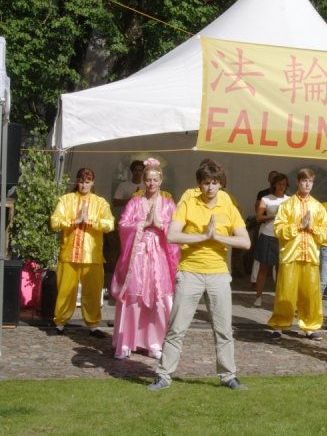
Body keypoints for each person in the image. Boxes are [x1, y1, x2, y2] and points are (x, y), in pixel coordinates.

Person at [148, 160, 250, 391]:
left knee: (224, 329)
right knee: (177, 328)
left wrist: (218, 238)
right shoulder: (188, 201)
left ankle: (228, 375)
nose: (211, 188)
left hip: (219, 275)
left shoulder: (228, 204)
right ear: (199, 184)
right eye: (206, 183)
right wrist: (203, 237)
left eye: (215, 183)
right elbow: (172, 235)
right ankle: (164, 375)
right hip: (190, 271)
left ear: (221, 184)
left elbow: (245, 241)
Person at [110, 158, 180, 360]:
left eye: (154, 180)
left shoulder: (168, 204)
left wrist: (160, 225)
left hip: (158, 255)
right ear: (143, 180)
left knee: (159, 298)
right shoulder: (134, 202)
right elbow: (122, 225)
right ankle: (126, 342)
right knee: (134, 296)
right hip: (137, 254)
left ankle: (155, 342)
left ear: (161, 180)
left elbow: (176, 230)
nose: (151, 184)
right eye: (148, 179)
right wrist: (142, 224)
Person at [49, 167, 114, 337]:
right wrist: (73, 221)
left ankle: (93, 325)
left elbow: (109, 224)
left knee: (92, 291)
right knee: (65, 290)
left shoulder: (100, 203)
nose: (84, 185)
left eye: (87, 182)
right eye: (81, 182)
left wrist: (90, 221)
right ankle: (60, 322)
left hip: (92, 256)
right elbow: (54, 221)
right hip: (69, 253)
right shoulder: (66, 200)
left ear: (92, 182)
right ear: (77, 181)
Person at [267, 168, 327, 340]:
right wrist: (298, 227)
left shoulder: (318, 207)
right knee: (285, 292)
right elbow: (278, 229)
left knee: (310, 294)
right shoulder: (287, 205)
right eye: (304, 181)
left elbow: (326, 233)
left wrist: (312, 228)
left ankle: (310, 326)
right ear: (298, 182)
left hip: (310, 255)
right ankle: (279, 324)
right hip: (290, 254)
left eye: (310, 181)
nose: (307, 184)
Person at [252, 173, 290, 307]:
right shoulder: (266, 199)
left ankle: (280, 297)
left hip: (283, 237)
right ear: (274, 184)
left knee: (282, 269)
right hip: (268, 235)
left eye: (284, 184)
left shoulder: (290, 200)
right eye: (279, 184)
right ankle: (258, 296)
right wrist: (274, 215)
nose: (281, 187)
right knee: (264, 268)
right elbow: (258, 217)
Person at [250, 170, 279, 289]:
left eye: (276, 178)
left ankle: (276, 283)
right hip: (265, 226)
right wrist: (269, 216)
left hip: (279, 230)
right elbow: (257, 210)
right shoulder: (263, 194)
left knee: (277, 259)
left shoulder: (285, 195)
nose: (274, 180)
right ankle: (254, 280)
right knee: (260, 257)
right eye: (272, 178)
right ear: (269, 180)